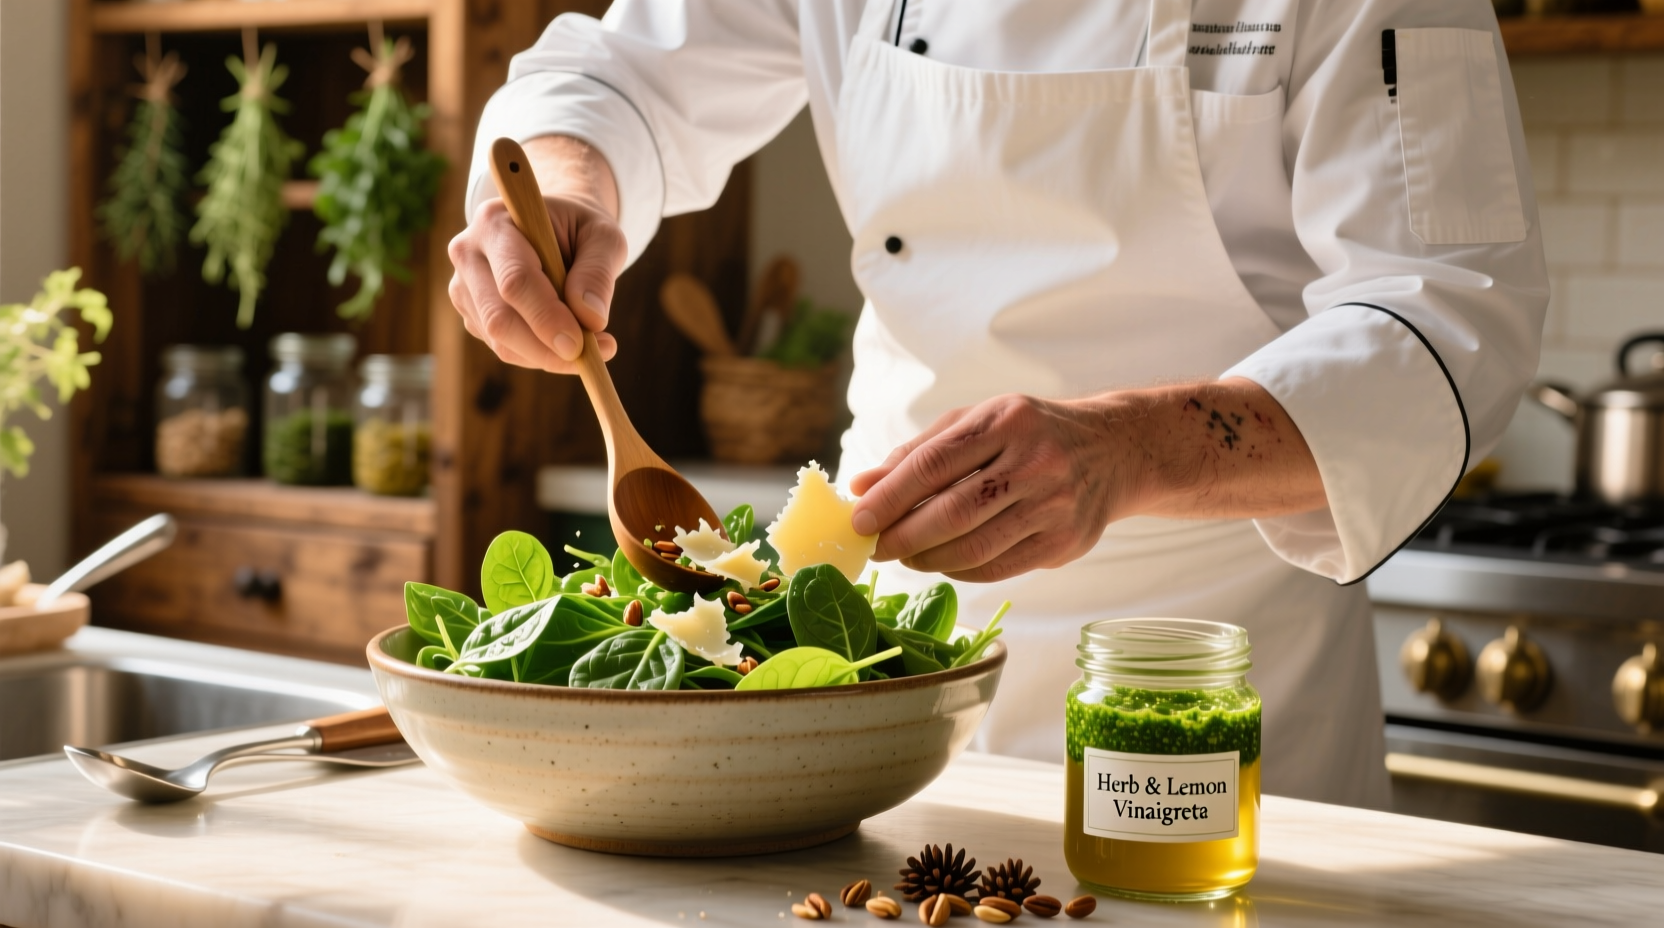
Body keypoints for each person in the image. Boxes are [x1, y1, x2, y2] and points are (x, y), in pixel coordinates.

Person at [446, 0, 1548, 808]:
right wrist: (568, 184)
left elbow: (1452, 317)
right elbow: (625, 71)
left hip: (1208, 666)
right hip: (876, 669)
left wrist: (1130, 450)